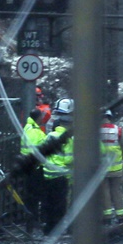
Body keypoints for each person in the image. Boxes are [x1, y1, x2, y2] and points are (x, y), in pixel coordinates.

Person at [37, 98, 75, 233]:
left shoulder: (50, 135)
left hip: (47, 173)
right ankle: (60, 229)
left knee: (48, 202)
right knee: (60, 203)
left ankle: (48, 228)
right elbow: (69, 159)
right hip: (61, 175)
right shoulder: (67, 139)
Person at [99, 109, 123, 223]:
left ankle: (107, 217)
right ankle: (121, 216)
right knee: (117, 191)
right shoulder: (118, 130)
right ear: (110, 117)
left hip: (102, 168)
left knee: (104, 191)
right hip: (116, 168)